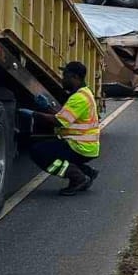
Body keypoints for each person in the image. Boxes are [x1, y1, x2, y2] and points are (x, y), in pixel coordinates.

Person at [20, 62, 101, 196]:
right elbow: (64, 117)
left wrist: (33, 114)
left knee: (38, 152)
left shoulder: (79, 98)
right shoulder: (84, 93)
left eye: (65, 76)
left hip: (80, 146)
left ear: (75, 77)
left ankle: (78, 178)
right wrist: (47, 107)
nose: (63, 79)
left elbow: (59, 121)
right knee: (48, 147)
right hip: (83, 145)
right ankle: (86, 172)